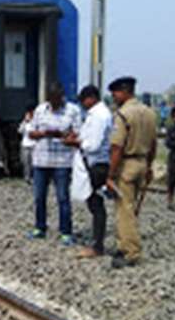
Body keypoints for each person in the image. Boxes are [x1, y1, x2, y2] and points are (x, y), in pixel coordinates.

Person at [105, 77, 158, 268]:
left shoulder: (123, 115)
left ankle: (130, 251)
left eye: (115, 93)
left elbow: (117, 147)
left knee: (124, 209)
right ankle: (124, 243)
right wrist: (150, 166)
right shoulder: (149, 113)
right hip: (142, 162)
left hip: (126, 165)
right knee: (132, 207)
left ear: (125, 91)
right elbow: (153, 144)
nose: (113, 96)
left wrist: (110, 175)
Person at [27, 81, 82, 245]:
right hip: (41, 160)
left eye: (57, 100)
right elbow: (31, 133)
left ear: (62, 97)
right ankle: (40, 227)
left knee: (63, 198)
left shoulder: (73, 110)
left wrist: (62, 135)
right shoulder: (40, 110)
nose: (54, 103)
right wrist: (44, 133)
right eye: (52, 100)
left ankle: (66, 231)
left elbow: (78, 134)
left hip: (63, 161)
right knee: (39, 197)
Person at [63, 84, 112, 258]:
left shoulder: (99, 115)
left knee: (96, 205)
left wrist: (75, 143)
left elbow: (94, 145)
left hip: (96, 165)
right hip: (93, 164)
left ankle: (97, 246)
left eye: (84, 100)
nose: (83, 104)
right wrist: (77, 138)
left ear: (91, 98)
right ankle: (96, 243)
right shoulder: (96, 114)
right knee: (94, 204)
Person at [17, 103, 37, 184]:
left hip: (34, 145)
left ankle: (33, 177)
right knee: (26, 162)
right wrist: (25, 122)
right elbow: (20, 131)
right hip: (25, 144)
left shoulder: (36, 121)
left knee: (33, 163)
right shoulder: (25, 122)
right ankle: (27, 177)